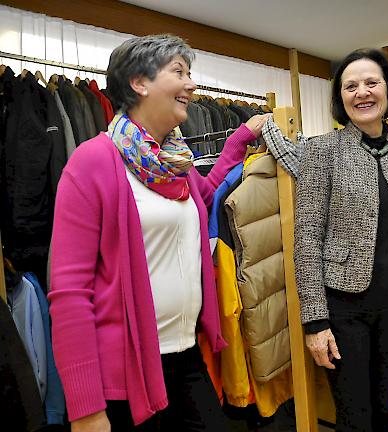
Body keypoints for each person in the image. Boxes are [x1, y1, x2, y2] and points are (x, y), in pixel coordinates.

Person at [48, 34, 270, 432]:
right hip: (123, 374)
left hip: (186, 355)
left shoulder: (175, 162)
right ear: (139, 82)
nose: (191, 85)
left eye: (190, 73)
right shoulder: (93, 162)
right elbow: (68, 292)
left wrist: (239, 141)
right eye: (179, 72)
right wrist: (85, 407)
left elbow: (210, 193)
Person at [294, 48, 388, 432]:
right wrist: (314, 322)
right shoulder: (321, 151)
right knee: (355, 418)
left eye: (371, 82)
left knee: (384, 412)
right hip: (342, 307)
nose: (362, 92)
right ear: (340, 98)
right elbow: (306, 238)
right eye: (351, 86)